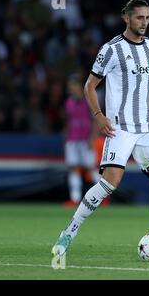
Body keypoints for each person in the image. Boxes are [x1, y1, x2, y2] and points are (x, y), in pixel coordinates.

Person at [52, 0, 149, 260]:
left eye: (147, 18)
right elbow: (89, 86)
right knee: (109, 183)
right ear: (126, 17)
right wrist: (99, 116)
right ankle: (69, 231)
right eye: (139, 18)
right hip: (121, 127)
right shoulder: (111, 50)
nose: (144, 23)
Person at [63, 74, 101, 207]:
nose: (71, 88)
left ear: (80, 86)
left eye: (73, 86)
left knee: (91, 168)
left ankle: (102, 197)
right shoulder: (69, 102)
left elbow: (95, 121)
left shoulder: (88, 100)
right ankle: (75, 198)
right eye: (70, 86)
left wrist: (93, 139)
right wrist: (67, 138)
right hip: (72, 139)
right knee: (73, 168)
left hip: (86, 140)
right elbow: (68, 120)